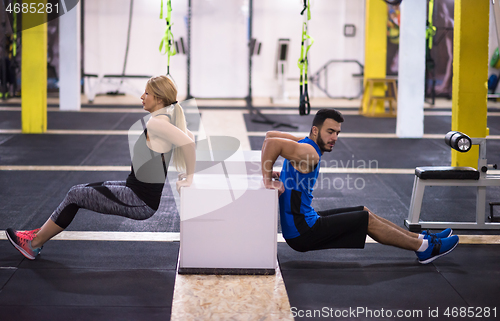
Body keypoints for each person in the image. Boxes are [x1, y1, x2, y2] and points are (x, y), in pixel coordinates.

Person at [6, 75, 196, 260]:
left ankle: (33, 244)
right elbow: (191, 138)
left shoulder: (157, 123)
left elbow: (189, 144)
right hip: (134, 191)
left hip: (139, 200)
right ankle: (35, 236)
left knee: (76, 195)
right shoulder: (169, 121)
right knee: (79, 192)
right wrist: (186, 172)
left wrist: (189, 177)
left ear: (159, 99)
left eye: (147, 93)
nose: (142, 97)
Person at [261, 108, 458, 264]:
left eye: (337, 133)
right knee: (364, 220)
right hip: (302, 231)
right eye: (330, 132)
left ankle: (421, 238)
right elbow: (272, 144)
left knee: (364, 211)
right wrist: (267, 179)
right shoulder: (309, 153)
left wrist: (278, 172)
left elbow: (270, 135)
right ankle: (424, 248)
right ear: (315, 130)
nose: (334, 138)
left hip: (303, 223)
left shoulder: (305, 145)